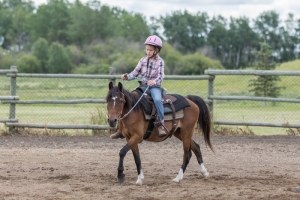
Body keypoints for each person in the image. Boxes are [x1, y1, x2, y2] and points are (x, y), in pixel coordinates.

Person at [110, 35, 167, 139]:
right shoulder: (143, 60)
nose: (148, 52)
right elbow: (135, 73)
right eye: (147, 49)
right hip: (143, 86)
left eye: (150, 50)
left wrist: (153, 82)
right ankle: (120, 127)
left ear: (156, 50)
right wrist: (127, 76)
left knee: (158, 100)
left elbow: (161, 76)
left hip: (154, 87)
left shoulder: (160, 62)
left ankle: (161, 124)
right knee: (129, 99)